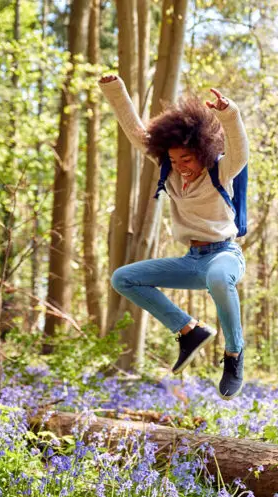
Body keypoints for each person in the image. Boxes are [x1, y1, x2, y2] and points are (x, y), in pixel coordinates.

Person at [99, 74, 249, 399]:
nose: (181, 166)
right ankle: (188, 331)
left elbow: (240, 152)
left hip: (224, 255)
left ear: (203, 152)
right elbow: (137, 133)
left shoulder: (220, 172)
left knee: (220, 279)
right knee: (123, 278)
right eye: (174, 159)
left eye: (187, 159)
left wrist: (229, 113)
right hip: (191, 260)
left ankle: (234, 355)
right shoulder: (168, 169)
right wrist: (115, 90)